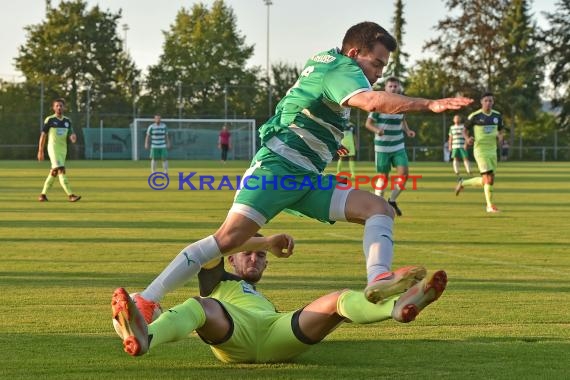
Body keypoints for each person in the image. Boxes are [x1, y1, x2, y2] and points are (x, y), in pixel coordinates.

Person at [124, 21, 471, 323]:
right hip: (277, 170)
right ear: (355, 52)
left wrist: (324, 142)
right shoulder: (342, 69)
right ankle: (148, 298)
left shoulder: (330, 62)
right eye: (376, 63)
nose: (379, 73)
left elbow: (302, 103)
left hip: (305, 178)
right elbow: (374, 102)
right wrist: (430, 104)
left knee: (378, 209)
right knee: (226, 241)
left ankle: (378, 279)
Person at [112, 233, 448, 361]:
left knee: (337, 299)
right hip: (232, 333)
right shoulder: (215, 278)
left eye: (260, 257)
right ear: (233, 259)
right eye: (249, 254)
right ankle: (145, 335)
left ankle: (396, 307)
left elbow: (323, 319)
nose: (254, 259)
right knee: (198, 306)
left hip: (275, 331)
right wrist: (264, 240)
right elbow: (215, 246)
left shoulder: (262, 297)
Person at [365, 77, 415, 217]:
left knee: (404, 174)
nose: (393, 88)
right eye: (390, 86)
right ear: (386, 88)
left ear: (399, 88)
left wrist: (408, 131)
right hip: (382, 148)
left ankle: (392, 200)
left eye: (395, 86)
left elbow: (402, 119)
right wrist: (377, 130)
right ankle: (377, 206)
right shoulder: (378, 105)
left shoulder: (401, 104)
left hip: (398, 145)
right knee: (383, 178)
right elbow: (368, 124)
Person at [455, 92, 504, 213]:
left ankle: (463, 183)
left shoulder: (497, 116)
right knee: (487, 177)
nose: (488, 103)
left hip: (492, 150)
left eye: (490, 101)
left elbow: (501, 131)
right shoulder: (475, 116)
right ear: (481, 102)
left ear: (493, 102)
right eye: (486, 100)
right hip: (480, 150)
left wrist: (501, 137)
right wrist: (467, 139)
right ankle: (489, 206)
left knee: (488, 180)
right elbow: (464, 130)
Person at [37, 98, 81, 202]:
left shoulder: (67, 121)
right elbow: (43, 135)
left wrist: (73, 137)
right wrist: (40, 150)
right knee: (61, 170)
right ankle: (71, 195)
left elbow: (71, 133)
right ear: (53, 108)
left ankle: (42, 195)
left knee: (54, 172)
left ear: (64, 107)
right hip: (53, 148)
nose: (59, 107)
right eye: (57, 105)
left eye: (61, 105)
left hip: (62, 150)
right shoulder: (50, 120)